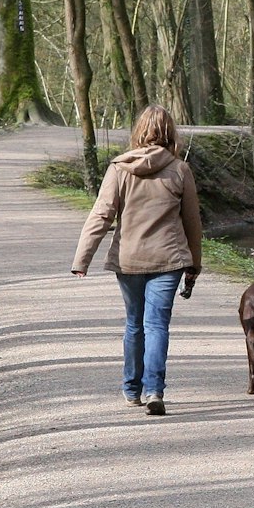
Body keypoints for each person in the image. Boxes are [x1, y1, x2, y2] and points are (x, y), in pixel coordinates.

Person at [73, 106, 202, 416]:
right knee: (156, 325)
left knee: (135, 324)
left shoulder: (120, 168)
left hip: (129, 259)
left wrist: (83, 258)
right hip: (168, 259)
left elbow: (102, 214)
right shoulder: (180, 170)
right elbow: (192, 221)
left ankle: (132, 389)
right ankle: (154, 389)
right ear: (171, 132)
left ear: (138, 131)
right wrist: (194, 264)